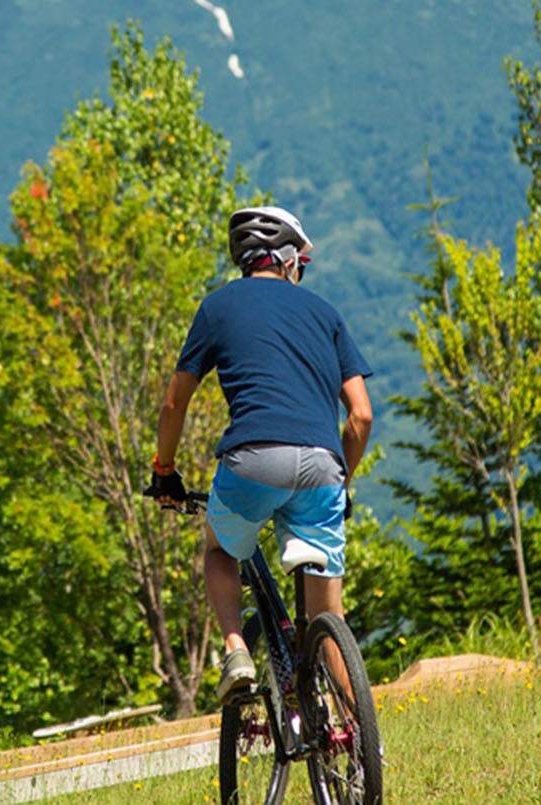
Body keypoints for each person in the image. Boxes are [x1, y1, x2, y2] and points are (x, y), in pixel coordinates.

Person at [145, 205, 374, 704]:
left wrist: (165, 472)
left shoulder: (218, 307)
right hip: (322, 466)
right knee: (327, 618)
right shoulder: (325, 314)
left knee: (220, 549)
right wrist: (342, 482)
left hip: (251, 460)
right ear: (289, 260)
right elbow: (360, 417)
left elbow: (172, 404)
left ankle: (236, 651)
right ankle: (358, 744)